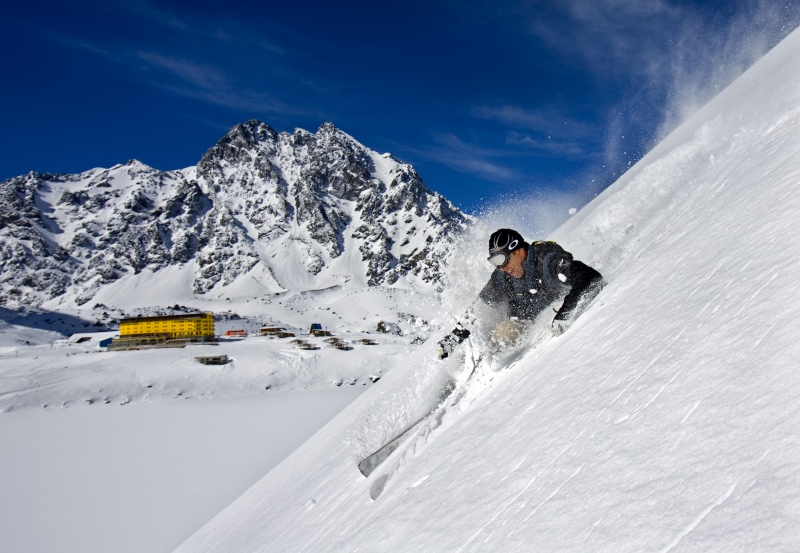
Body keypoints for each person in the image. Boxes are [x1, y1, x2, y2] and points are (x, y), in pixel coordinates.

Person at [437, 228, 605, 359]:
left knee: (503, 333)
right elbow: (478, 309)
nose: (501, 268)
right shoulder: (502, 278)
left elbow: (590, 277)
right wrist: (453, 339)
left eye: (502, 260)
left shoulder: (546, 261)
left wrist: (566, 312)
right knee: (501, 334)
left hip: (548, 326)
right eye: (494, 263)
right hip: (520, 325)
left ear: (517, 251)